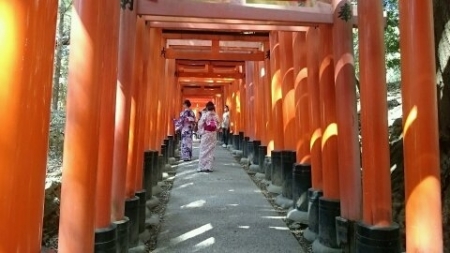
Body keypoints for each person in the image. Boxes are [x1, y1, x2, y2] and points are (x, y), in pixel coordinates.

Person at [197, 101, 220, 172]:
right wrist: (215, 129)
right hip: (213, 134)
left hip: (206, 134)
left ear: (207, 107)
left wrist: (201, 132)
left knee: (203, 149)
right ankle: (208, 167)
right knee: (210, 151)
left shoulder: (205, 115)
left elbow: (200, 124)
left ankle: (201, 166)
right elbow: (218, 125)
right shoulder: (216, 115)